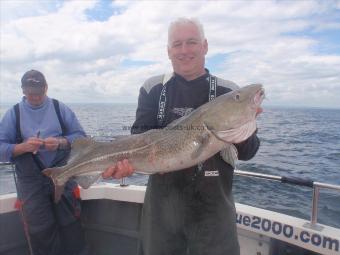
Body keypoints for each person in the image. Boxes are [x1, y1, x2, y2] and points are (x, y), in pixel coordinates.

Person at [103, 17, 262, 255]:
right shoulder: (153, 88)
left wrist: (241, 129)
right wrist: (125, 165)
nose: (184, 50)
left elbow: (249, 152)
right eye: (177, 44)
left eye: (192, 42)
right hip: (162, 208)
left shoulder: (228, 91)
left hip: (214, 209)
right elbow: (138, 137)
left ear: (205, 46)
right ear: (168, 51)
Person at [0, 70, 90, 255]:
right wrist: (22, 147)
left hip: (63, 177)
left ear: (46, 88)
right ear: (23, 91)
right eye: (30, 93)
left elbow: (81, 138)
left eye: (39, 92)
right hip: (31, 183)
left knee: (71, 226)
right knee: (40, 232)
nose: (34, 97)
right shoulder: (13, 114)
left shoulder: (59, 108)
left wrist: (60, 142)